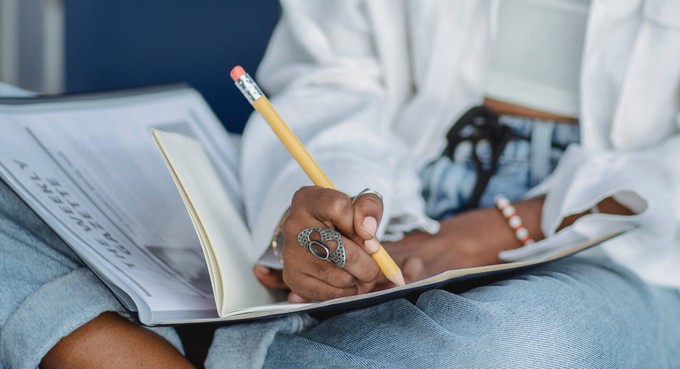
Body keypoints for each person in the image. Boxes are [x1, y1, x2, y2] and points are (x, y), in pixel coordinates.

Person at [2, 1, 679, 368]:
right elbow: (327, 79)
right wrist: (328, 209)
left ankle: (115, 347)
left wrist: (500, 228)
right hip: (389, 212)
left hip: (614, 253)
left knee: (532, 347)